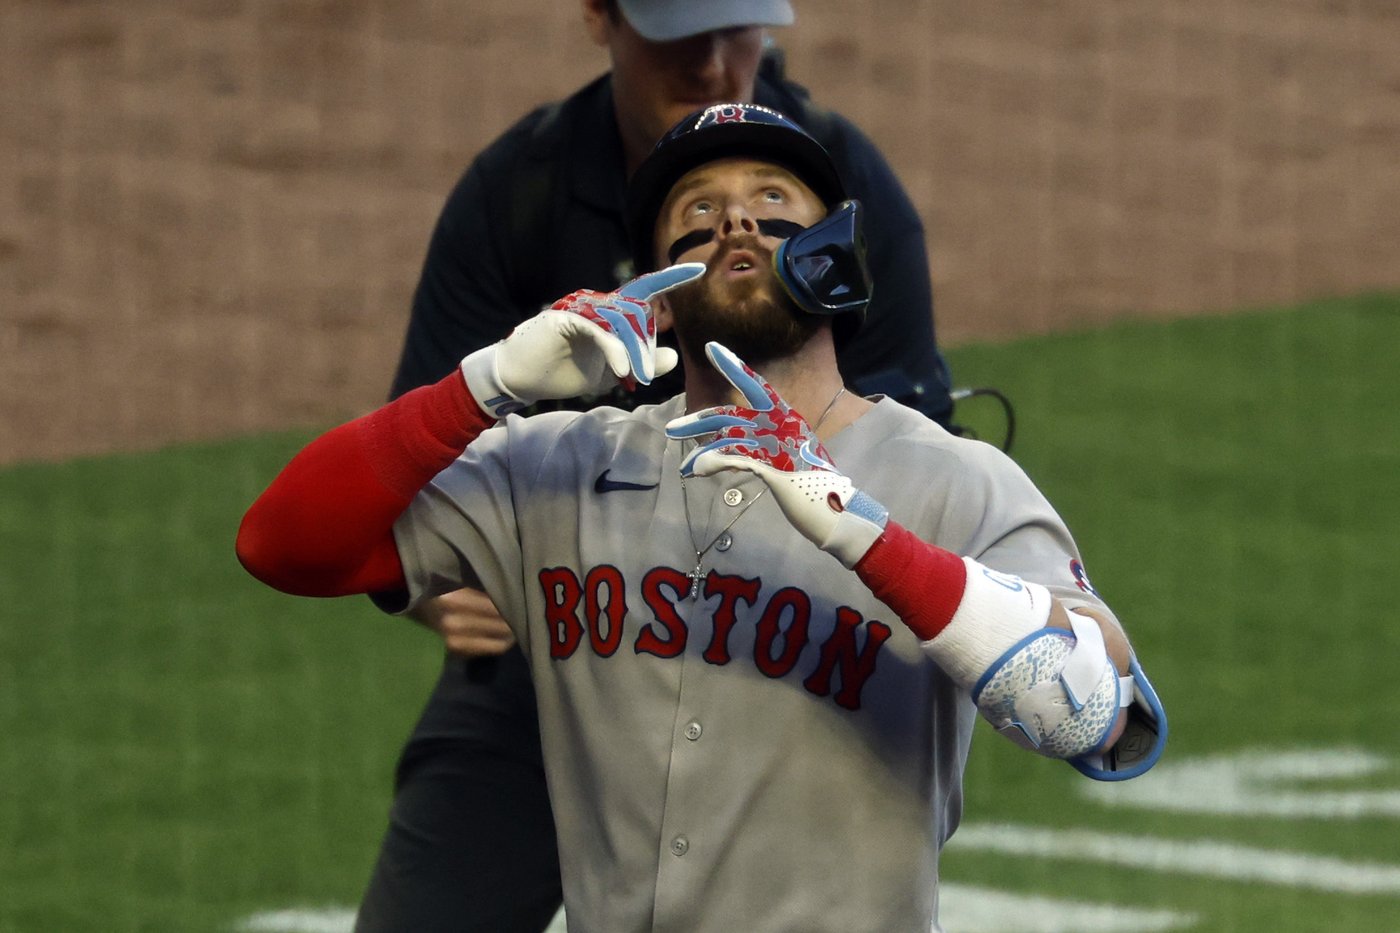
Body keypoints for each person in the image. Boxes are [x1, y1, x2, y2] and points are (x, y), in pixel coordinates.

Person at [238, 102, 1166, 933]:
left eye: (773, 201)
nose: (734, 221)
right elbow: (281, 546)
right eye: (697, 210)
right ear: (655, 285)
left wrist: (867, 538)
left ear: (835, 255)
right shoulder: (557, 466)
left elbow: (1097, 713)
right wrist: (488, 386)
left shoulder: (957, 482)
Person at [365, 1, 959, 929]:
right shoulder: (521, 191)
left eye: (739, 30)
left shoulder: (845, 192)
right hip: (564, 635)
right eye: (683, 33)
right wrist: (452, 580)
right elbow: (416, 453)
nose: (717, 64)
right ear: (602, 17)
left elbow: (913, 456)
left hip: (788, 638)